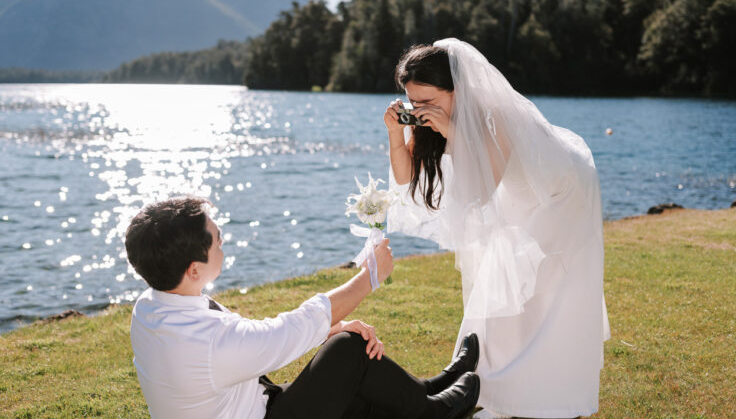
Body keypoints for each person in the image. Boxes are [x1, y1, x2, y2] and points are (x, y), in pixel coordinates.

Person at [384, 39, 610, 419]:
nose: (419, 110)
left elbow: (483, 187)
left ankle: (552, 396)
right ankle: (491, 389)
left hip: (562, 191)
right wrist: (396, 132)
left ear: (457, 90)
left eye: (427, 101)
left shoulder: (494, 116)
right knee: (501, 283)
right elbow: (406, 177)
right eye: (412, 102)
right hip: (520, 190)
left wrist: (451, 130)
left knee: (549, 289)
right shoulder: (435, 116)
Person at [125, 196, 482, 419]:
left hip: (256, 405)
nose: (223, 244)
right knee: (346, 351)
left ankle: (425, 390)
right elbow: (281, 331)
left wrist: (329, 329)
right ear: (193, 269)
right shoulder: (208, 343)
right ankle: (436, 412)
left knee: (345, 366)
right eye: (218, 241)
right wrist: (369, 278)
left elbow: (250, 343)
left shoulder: (150, 307)